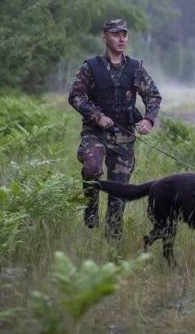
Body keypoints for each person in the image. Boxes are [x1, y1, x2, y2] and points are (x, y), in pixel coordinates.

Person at [68, 18, 162, 240]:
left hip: (124, 137)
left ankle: (113, 239)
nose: (121, 39)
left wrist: (148, 119)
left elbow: (153, 95)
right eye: (115, 34)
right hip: (95, 133)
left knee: (119, 191)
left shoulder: (135, 68)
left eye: (124, 34)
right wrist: (96, 116)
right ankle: (91, 208)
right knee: (91, 167)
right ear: (105, 37)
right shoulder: (91, 67)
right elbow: (75, 96)